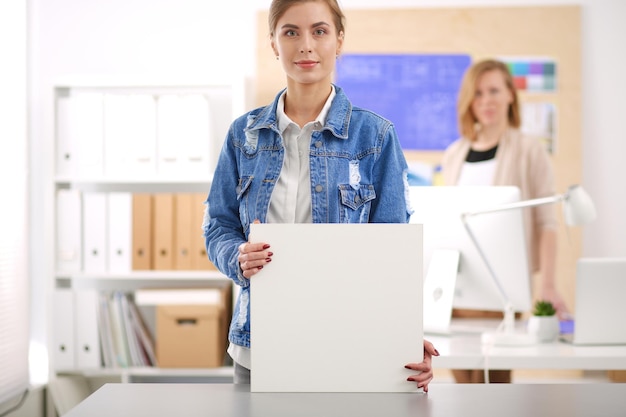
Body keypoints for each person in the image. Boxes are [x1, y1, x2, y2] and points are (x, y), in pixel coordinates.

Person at [203, 0, 438, 391]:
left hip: (347, 343)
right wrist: (236, 256)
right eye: (290, 32)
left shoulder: (375, 136)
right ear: (274, 44)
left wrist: (403, 334)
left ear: (339, 41)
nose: (305, 45)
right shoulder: (242, 135)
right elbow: (218, 226)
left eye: (320, 31)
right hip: (258, 346)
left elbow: (391, 252)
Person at [441, 58, 566, 383]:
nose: (486, 101)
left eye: (494, 91)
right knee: (462, 386)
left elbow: (547, 222)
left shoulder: (529, 151)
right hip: (457, 293)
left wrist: (548, 286)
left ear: (511, 94)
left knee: (492, 387)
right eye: (478, 93)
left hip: (503, 293)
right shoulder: (454, 153)